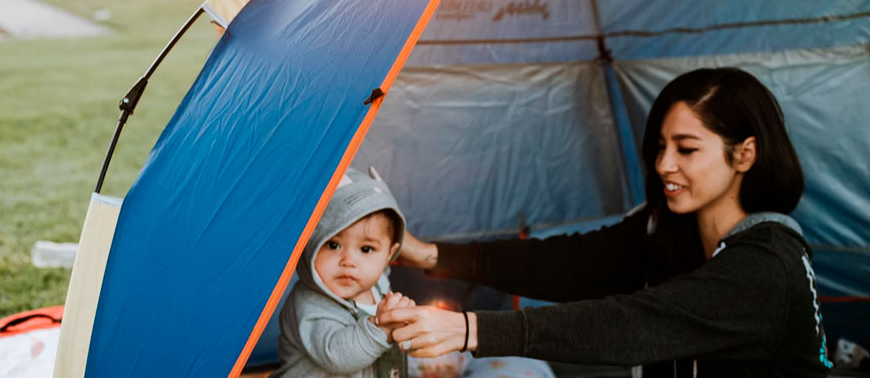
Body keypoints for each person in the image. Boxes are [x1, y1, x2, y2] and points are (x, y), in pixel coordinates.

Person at [376, 67, 834, 377]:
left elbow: (633, 324)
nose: (663, 165)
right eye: (660, 147)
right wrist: (429, 253)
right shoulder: (668, 231)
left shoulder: (766, 265)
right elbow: (566, 262)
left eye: (686, 149)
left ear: (745, 154)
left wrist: (468, 330)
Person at [276, 167, 415, 377]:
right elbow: (336, 356)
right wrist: (381, 328)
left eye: (366, 249)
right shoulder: (308, 303)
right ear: (310, 244)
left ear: (389, 254)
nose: (348, 261)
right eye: (333, 245)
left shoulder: (379, 286)